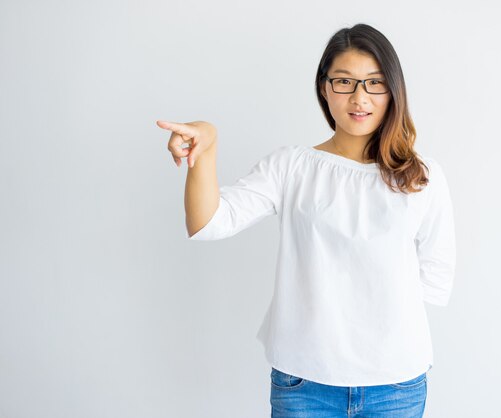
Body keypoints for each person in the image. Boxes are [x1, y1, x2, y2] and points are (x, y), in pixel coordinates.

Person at [157, 23, 455, 418]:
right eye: (345, 82)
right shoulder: (292, 167)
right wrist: (206, 147)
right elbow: (207, 222)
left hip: (395, 384)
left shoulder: (421, 177)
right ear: (324, 87)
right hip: (304, 384)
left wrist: (370, 316)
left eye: (374, 83)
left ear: (393, 90)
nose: (359, 97)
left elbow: (436, 277)